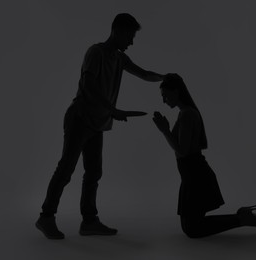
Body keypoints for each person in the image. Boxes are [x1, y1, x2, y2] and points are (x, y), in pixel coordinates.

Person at [36, 13, 164, 239]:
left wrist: (166, 77)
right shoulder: (96, 52)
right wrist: (112, 109)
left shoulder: (120, 58)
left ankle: (89, 222)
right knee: (66, 169)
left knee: (94, 172)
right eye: (130, 37)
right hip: (80, 119)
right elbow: (89, 85)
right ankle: (46, 217)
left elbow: (144, 74)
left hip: (97, 123)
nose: (131, 42)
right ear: (118, 31)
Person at [152, 74, 256, 238]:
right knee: (190, 227)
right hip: (191, 174)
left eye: (165, 95)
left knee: (192, 229)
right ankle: (242, 217)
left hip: (195, 175)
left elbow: (182, 151)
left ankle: (243, 219)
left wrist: (164, 131)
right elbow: (181, 150)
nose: (163, 100)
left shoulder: (187, 114)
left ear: (176, 91)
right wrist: (166, 130)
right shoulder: (185, 113)